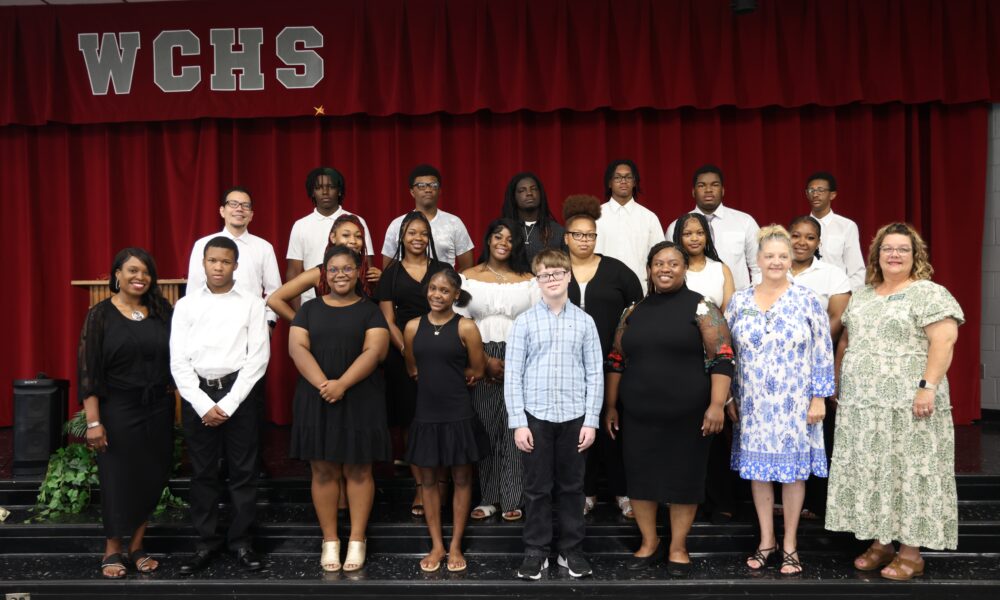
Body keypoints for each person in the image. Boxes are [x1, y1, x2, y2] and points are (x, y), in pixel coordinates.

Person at [825, 222, 963, 581]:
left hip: (910, 405)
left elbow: (944, 341)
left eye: (903, 249)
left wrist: (927, 386)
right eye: (888, 248)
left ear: (915, 255)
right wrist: (839, 381)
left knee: (909, 473)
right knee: (874, 472)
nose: (895, 254)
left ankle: (911, 552)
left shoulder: (929, 293)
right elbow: (847, 343)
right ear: (877, 255)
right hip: (864, 408)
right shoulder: (865, 295)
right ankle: (881, 542)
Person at [604, 241, 734, 576]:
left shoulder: (702, 307)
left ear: (684, 268)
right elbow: (617, 360)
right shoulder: (633, 311)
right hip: (638, 415)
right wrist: (611, 406)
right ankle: (649, 542)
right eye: (659, 263)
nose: (666, 269)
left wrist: (717, 405)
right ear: (648, 269)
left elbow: (722, 357)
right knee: (641, 481)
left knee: (684, 481)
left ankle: (677, 546)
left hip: (688, 417)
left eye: (673, 263)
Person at [725, 225, 834, 575]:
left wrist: (819, 397)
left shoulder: (807, 299)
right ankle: (766, 541)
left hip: (795, 404)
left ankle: (790, 545)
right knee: (759, 475)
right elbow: (726, 353)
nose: (776, 261)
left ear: (792, 259)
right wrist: (728, 397)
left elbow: (823, 351)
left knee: (792, 476)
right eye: (769, 256)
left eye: (782, 256)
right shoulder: (740, 300)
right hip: (752, 403)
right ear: (757, 259)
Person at [288, 245, 392, 572]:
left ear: (358, 271)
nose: (340, 274)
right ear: (324, 274)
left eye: (347, 268)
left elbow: (375, 350)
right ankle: (330, 540)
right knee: (323, 470)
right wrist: (325, 385)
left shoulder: (370, 310)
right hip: (317, 397)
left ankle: (357, 540)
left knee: (359, 469)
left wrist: (342, 384)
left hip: (360, 397)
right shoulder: (309, 309)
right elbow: (297, 348)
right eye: (333, 269)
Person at [171, 236, 271, 574]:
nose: (218, 267)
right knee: (202, 474)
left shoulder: (252, 304)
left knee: (243, 472)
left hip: (238, 394)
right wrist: (202, 404)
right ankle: (205, 544)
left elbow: (257, 358)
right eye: (212, 261)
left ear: (236, 266)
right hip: (198, 394)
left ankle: (242, 543)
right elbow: (178, 362)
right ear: (203, 263)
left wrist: (228, 403)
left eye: (225, 262)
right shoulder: (185, 305)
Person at [505, 248, 603, 580]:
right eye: (545, 275)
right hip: (536, 417)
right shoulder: (524, 322)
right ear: (537, 280)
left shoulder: (585, 322)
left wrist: (591, 419)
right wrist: (518, 421)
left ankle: (570, 551)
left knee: (573, 487)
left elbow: (595, 375)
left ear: (569, 276)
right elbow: (513, 375)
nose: (552, 280)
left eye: (557, 274)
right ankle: (536, 551)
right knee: (537, 488)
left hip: (575, 416)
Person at [78, 247, 175, 578]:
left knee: (151, 477)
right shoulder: (100, 314)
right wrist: (94, 421)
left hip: (158, 408)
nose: (140, 277)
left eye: (146, 272)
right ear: (116, 274)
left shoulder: (162, 312)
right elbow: (89, 372)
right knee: (118, 479)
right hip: (118, 408)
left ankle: (137, 547)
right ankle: (112, 550)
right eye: (132, 270)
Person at [186, 186, 281, 477]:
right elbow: (192, 291)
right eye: (233, 204)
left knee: (252, 397)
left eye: (245, 205)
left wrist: (267, 326)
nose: (239, 209)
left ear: (252, 213)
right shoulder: (204, 244)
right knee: (211, 394)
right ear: (222, 210)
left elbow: (275, 291)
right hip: (211, 336)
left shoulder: (263, 248)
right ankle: (216, 463)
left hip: (250, 333)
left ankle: (252, 462)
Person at [561, 195, 643, 519]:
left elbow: (638, 312)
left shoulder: (617, 272)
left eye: (590, 234)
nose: (584, 240)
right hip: (565, 367)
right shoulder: (554, 269)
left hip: (613, 367)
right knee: (577, 432)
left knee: (614, 429)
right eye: (578, 234)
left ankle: (623, 492)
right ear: (566, 237)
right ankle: (586, 490)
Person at [403, 268, 488, 573]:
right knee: (428, 480)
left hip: (458, 413)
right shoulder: (412, 327)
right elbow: (412, 368)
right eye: (433, 289)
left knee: (462, 479)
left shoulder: (466, 327)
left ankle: (455, 546)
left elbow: (478, 370)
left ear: (456, 295)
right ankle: (437, 545)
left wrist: (454, 378)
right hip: (426, 413)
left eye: (444, 291)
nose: (437, 295)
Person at [455, 218, 538, 523]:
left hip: (521, 357)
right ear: (488, 240)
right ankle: (489, 497)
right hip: (480, 355)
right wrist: (482, 361)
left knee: (517, 427)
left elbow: (535, 324)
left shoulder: (529, 279)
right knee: (487, 426)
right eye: (497, 236)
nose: (504, 242)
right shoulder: (467, 278)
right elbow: (458, 323)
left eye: (510, 238)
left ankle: (513, 496)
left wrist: (518, 361)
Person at [374, 211, 449, 516]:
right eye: (411, 233)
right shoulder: (391, 273)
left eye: (423, 233)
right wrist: (409, 353)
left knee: (442, 421)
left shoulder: (442, 269)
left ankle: (442, 486)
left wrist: (435, 350)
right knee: (412, 422)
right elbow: (388, 320)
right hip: (403, 355)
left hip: (442, 353)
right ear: (401, 238)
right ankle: (421, 489)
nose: (417, 238)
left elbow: (453, 311)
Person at [788, 215, 852, 520]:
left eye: (810, 237)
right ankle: (781, 500)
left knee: (817, 430)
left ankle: (816, 502)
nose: (802, 242)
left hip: (816, 363)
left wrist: (809, 346)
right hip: (778, 369)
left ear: (819, 243)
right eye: (796, 235)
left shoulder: (832, 274)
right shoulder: (773, 268)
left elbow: (838, 318)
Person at [268, 214, 381, 322]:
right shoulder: (320, 273)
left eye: (358, 236)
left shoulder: (370, 273)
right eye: (346, 235)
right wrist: (303, 325)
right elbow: (274, 300)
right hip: (330, 338)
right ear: (333, 237)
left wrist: (383, 282)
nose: (353, 241)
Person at [286, 167, 375, 303]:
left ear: (339, 191)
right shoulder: (301, 225)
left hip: (353, 298)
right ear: (312, 192)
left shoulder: (355, 221)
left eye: (331, 187)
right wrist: (298, 316)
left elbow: (366, 265)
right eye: (319, 187)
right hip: (311, 300)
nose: (325, 192)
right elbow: (293, 272)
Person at [666, 165, 760, 290]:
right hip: (691, 302)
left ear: (723, 190)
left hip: (737, 302)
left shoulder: (745, 222)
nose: (708, 190)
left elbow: (759, 266)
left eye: (715, 185)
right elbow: (670, 267)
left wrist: (752, 298)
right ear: (693, 191)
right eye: (702, 185)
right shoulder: (676, 227)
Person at [381, 164, 475, 270]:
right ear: (412, 192)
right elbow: (388, 268)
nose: (428, 190)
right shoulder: (397, 224)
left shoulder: (454, 223)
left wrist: (449, 284)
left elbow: (467, 267)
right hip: (405, 286)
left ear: (439, 191)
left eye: (433, 185)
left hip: (443, 285)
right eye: (421, 186)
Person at [593, 159, 664, 289]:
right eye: (618, 177)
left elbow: (660, 257)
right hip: (601, 287)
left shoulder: (649, 218)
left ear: (634, 182)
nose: (623, 181)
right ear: (609, 183)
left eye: (628, 177)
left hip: (639, 289)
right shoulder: (595, 216)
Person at [804, 171, 865, 289]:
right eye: (811, 190)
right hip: (806, 294)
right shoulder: (800, 227)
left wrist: (841, 295)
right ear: (806, 194)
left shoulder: (847, 226)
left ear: (832, 195)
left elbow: (857, 272)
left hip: (838, 293)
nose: (815, 194)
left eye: (820, 190)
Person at [671, 212, 736, 311]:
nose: (694, 238)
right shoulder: (671, 270)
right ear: (678, 237)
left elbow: (729, 314)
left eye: (700, 233)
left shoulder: (722, 269)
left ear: (707, 236)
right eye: (687, 234)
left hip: (716, 325)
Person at [500, 172, 565, 262]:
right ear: (513, 197)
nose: (529, 193)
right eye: (522, 190)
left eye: (533, 189)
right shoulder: (502, 230)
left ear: (540, 194)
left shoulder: (558, 231)